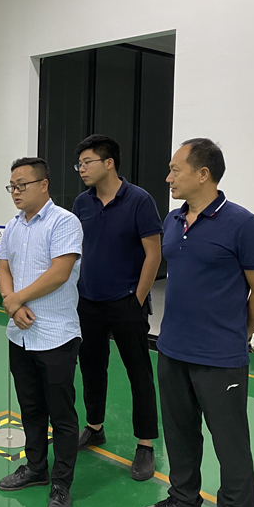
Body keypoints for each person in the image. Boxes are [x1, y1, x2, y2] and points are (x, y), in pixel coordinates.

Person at [139, 139, 254, 507]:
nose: (168, 178)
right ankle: (183, 501)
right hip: (172, 349)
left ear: (203, 174)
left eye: (175, 170)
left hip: (220, 358)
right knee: (180, 434)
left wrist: (239, 333)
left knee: (230, 445)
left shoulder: (243, 226)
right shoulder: (173, 220)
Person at [71, 135, 162, 481]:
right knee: (92, 368)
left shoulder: (139, 200)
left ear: (109, 163)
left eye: (87, 162)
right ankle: (95, 426)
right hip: (88, 302)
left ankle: (145, 443)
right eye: (79, 164)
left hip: (126, 302)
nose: (81, 169)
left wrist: (136, 299)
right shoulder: (82, 203)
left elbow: (153, 254)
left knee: (139, 372)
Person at [0, 157, 83, 507]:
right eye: (12, 186)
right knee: (30, 407)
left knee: (61, 414)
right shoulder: (13, 225)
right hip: (20, 334)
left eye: (22, 185)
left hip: (56, 335)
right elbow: (3, 265)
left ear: (44, 185)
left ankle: (61, 483)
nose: (15, 192)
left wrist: (17, 299)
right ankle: (35, 467)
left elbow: (60, 273)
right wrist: (11, 303)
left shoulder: (64, 222)